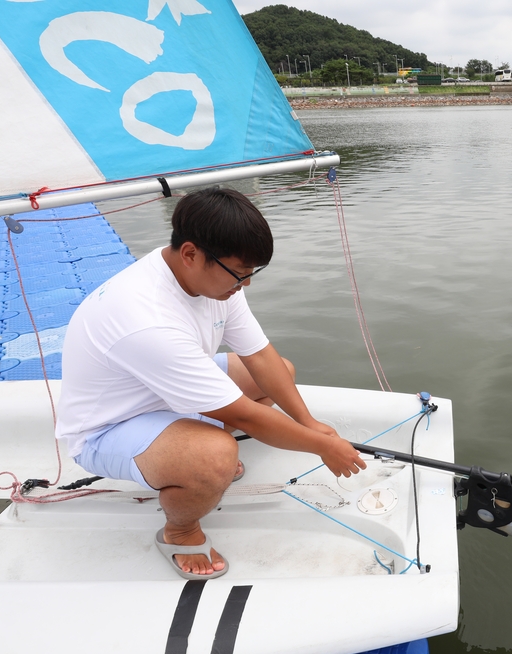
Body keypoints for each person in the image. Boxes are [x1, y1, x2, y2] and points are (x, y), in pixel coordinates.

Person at [55, 187, 366, 579]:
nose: (246, 284)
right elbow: (247, 418)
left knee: (280, 373)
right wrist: (323, 446)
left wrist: (309, 423)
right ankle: (180, 529)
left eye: (252, 273)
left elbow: (260, 356)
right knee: (216, 456)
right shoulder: (146, 316)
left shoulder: (209, 277)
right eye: (240, 274)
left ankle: (190, 459)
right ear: (190, 254)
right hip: (109, 426)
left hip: (163, 391)